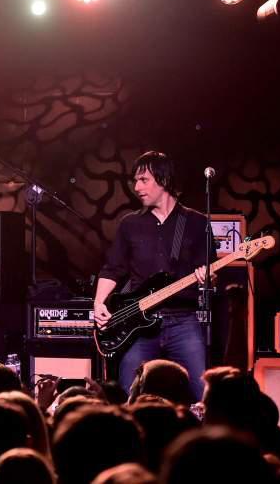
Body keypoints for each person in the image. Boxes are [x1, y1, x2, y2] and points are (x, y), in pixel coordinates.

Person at [93, 151, 216, 401]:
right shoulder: (130, 224)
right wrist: (98, 303)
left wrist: (208, 277)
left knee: (201, 393)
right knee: (129, 393)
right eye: (135, 181)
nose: (137, 188)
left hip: (183, 321)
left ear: (164, 179)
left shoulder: (197, 222)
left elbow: (211, 273)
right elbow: (112, 268)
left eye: (144, 180)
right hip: (138, 325)